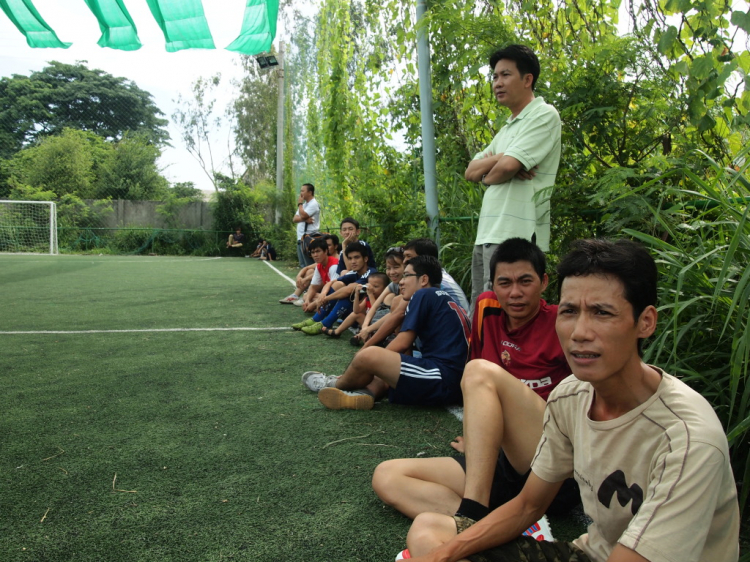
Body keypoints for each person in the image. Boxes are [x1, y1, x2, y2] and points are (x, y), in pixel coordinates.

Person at [403, 239, 740, 562]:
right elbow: (527, 507)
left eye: (601, 313)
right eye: (569, 311)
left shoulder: (688, 440)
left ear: (646, 322)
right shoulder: (570, 396)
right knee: (430, 530)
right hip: (590, 553)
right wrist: (439, 557)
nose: (579, 332)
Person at [371, 238, 579, 524]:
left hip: (552, 466)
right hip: (502, 463)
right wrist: (477, 438)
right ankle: (494, 532)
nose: (515, 293)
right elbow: (478, 389)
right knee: (387, 476)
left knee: (479, 371)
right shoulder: (486, 309)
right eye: (504, 283)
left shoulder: (562, 323)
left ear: (544, 282)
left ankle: (473, 511)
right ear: (492, 285)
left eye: (525, 281)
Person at [302, 255, 471, 411]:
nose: (401, 282)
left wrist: (366, 363)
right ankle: (364, 394)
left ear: (424, 279)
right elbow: (404, 344)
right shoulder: (443, 297)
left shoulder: (424, 294)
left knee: (369, 356)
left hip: (443, 378)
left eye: (406, 276)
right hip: (454, 378)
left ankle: (334, 383)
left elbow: (403, 342)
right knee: (383, 374)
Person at [464, 45, 561, 308]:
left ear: (527, 79)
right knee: (481, 307)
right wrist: (502, 159)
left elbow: (507, 167)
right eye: (495, 77)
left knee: (506, 309)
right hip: (487, 232)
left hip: (517, 233)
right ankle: (480, 352)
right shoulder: (507, 129)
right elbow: (471, 171)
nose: (497, 83)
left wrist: (496, 165)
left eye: (505, 75)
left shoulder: (544, 115)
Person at [361, 238, 469, 350]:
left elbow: (398, 314)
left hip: (452, 343)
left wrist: (367, 348)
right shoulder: (433, 275)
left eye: (409, 256)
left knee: (399, 304)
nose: (404, 261)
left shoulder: (433, 282)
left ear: (424, 258)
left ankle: (397, 354)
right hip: (457, 338)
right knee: (399, 301)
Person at [292, 242, 376, 335]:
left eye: (356, 257)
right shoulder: (354, 273)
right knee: (338, 285)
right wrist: (323, 295)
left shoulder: (371, 273)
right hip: (352, 312)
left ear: (365, 259)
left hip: (367, 316)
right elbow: (331, 283)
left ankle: (325, 323)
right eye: (350, 258)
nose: (353, 261)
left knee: (348, 294)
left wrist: (325, 299)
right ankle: (316, 319)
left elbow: (349, 290)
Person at [280, 234, 339, 306]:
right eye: (313, 252)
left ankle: (322, 306)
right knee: (306, 296)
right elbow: (313, 286)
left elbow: (334, 290)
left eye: (318, 251)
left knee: (313, 298)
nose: (315, 255)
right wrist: (307, 301)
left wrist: (313, 303)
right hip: (325, 293)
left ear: (326, 251)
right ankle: (298, 297)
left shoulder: (334, 265)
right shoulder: (320, 264)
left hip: (335, 295)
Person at [326, 272, 389, 338]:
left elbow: (377, 312)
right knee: (355, 314)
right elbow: (356, 311)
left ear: (385, 288)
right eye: (369, 286)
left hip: (378, 327)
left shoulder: (384, 299)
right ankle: (337, 332)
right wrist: (357, 295)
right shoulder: (367, 298)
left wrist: (370, 295)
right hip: (367, 325)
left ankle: (360, 337)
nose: (371, 289)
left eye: (375, 286)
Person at [293, 183, 320, 268]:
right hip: (301, 238)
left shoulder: (313, 204)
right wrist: (304, 219)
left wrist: (300, 204)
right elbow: (294, 219)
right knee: (303, 265)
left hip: (309, 238)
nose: (301, 193)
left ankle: (312, 281)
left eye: (302, 191)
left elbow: (303, 215)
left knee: (310, 265)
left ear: (310, 192)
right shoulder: (304, 205)